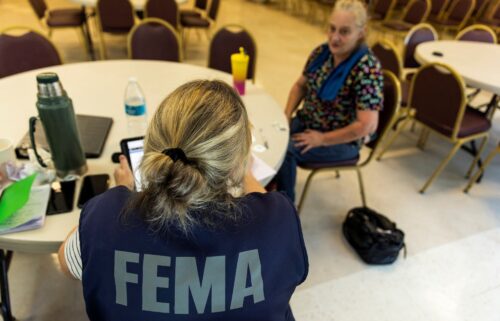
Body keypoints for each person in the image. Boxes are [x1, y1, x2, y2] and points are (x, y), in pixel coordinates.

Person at [58, 80, 308, 320]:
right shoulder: (278, 220)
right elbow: (265, 209)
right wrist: (244, 173)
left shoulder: (105, 218)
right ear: (234, 164)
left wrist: (119, 191)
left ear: (153, 150)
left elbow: (66, 262)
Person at [275, 0, 384, 202]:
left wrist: (322, 139)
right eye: (332, 28)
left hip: (342, 140)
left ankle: (284, 210)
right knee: (273, 135)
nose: (334, 38)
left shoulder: (367, 69)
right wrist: (286, 115)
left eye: (344, 32)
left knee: (286, 151)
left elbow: (367, 125)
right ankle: (267, 195)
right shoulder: (322, 53)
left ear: (361, 32)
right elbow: (301, 86)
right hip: (308, 121)